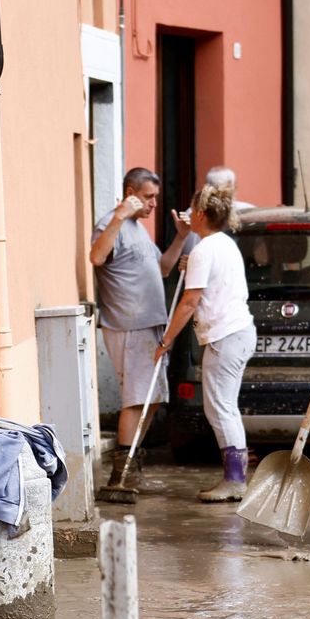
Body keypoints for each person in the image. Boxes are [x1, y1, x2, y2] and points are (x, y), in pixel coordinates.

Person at [90, 167, 192, 495]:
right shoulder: (112, 223)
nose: (153, 205)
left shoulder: (139, 230)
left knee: (151, 399)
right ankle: (120, 477)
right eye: (148, 197)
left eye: (156, 199)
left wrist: (180, 237)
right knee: (136, 400)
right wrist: (119, 216)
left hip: (151, 326)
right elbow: (96, 256)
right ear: (131, 192)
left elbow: (162, 269)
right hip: (129, 326)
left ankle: (131, 463)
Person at [156, 187, 257, 501]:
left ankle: (235, 481)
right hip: (237, 332)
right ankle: (235, 477)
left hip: (224, 337)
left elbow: (189, 302)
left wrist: (167, 339)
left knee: (220, 408)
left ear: (201, 213)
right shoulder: (222, 244)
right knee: (224, 407)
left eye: (191, 206)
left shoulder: (204, 249)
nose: (188, 210)